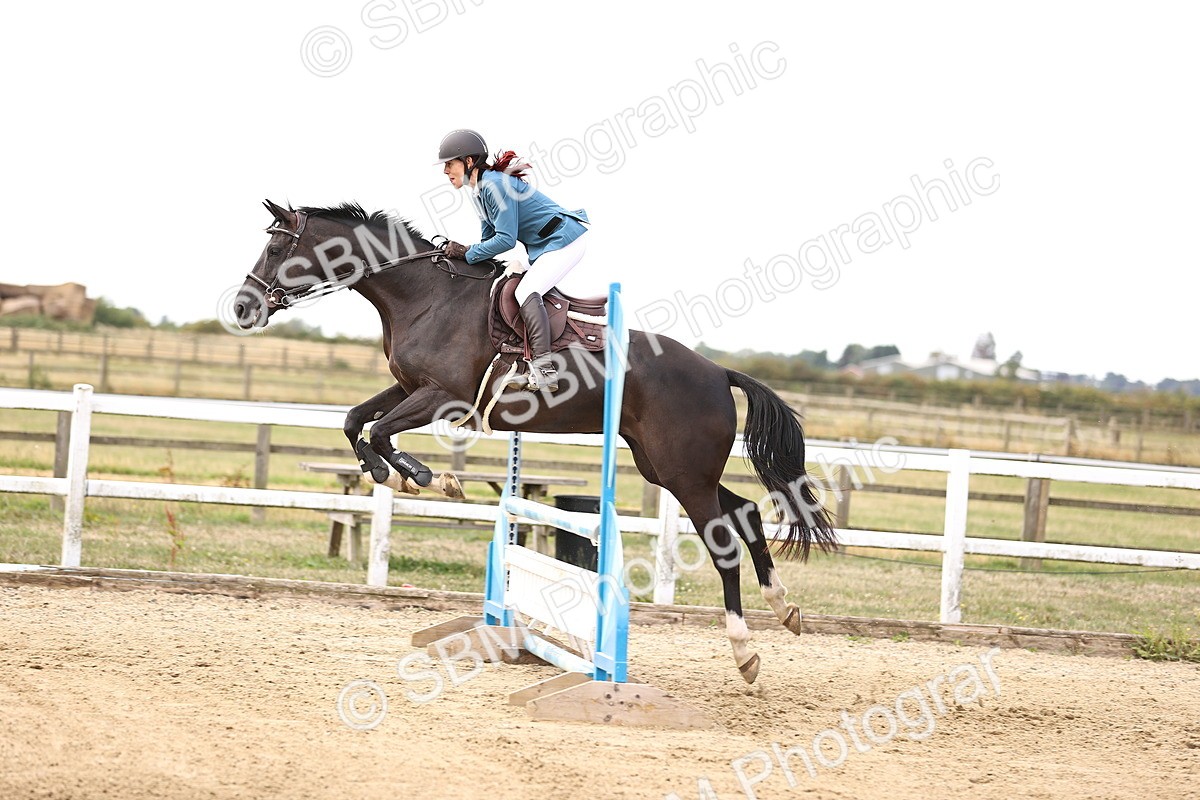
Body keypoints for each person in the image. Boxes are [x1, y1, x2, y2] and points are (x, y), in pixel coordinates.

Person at [436, 128, 590, 392]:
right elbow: (489, 239)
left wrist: (467, 252)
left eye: (450, 163)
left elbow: (506, 240)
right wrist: (466, 257)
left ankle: (544, 370)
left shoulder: (494, 186)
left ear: (469, 162)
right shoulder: (478, 191)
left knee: (527, 291)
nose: (445, 171)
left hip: (566, 240)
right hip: (546, 246)